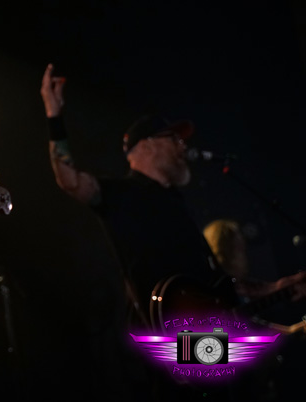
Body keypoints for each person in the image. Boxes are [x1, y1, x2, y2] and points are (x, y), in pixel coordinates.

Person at [39, 63, 306, 399]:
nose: (182, 147)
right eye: (173, 139)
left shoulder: (177, 204)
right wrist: (54, 114)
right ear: (146, 146)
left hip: (201, 343)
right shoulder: (122, 194)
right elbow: (69, 180)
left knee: (269, 367)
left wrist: (279, 288)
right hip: (173, 348)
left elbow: (221, 291)